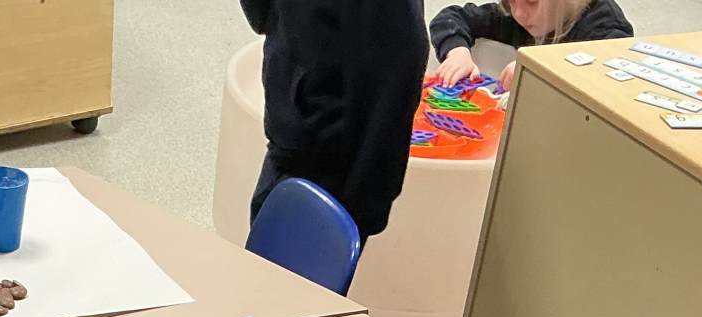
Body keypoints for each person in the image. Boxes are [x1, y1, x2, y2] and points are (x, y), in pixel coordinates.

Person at [240, 0, 429, 242]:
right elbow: (262, 18)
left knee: (289, 259)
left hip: (332, 162)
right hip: (290, 139)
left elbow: (399, 73)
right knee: (261, 255)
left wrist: (363, 204)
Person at [431, 0, 632, 91]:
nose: (519, 13)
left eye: (532, 1)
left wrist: (538, 66)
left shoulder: (604, 23)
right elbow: (451, 18)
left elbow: (613, 66)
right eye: (511, 1)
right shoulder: (516, 17)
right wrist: (457, 53)